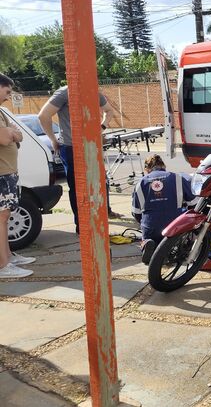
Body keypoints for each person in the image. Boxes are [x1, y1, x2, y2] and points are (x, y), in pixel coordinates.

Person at [37, 85, 121, 234]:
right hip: (75, 146)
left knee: (87, 186)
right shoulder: (67, 92)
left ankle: (88, 225)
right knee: (84, 186)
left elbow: (43, 116)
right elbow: (43, 116)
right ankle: (85, 226)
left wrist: (53, 140)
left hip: (81, 145)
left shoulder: (90, 90)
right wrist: (101, 127)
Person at [0, 74, 36, 278]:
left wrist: (12, 133)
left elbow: (18, 134)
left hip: (8, 173)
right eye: (6, 92)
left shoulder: (2, 112)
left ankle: (8, 258)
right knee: (1, 218)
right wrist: (10, 134)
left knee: (4, 217)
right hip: (1, 174)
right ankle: (3, 265)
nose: (8, 97)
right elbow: (5, 138)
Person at [131, 155, 194, 265]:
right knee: (177, 236)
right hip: (175, 224)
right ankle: (173, 248)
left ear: (147, 169)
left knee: (148, 232)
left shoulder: (140, 183)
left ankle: (147, 244)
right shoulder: (178, 178)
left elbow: (136, 213)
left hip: (150, 225)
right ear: (163, 166)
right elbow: (193, 203)